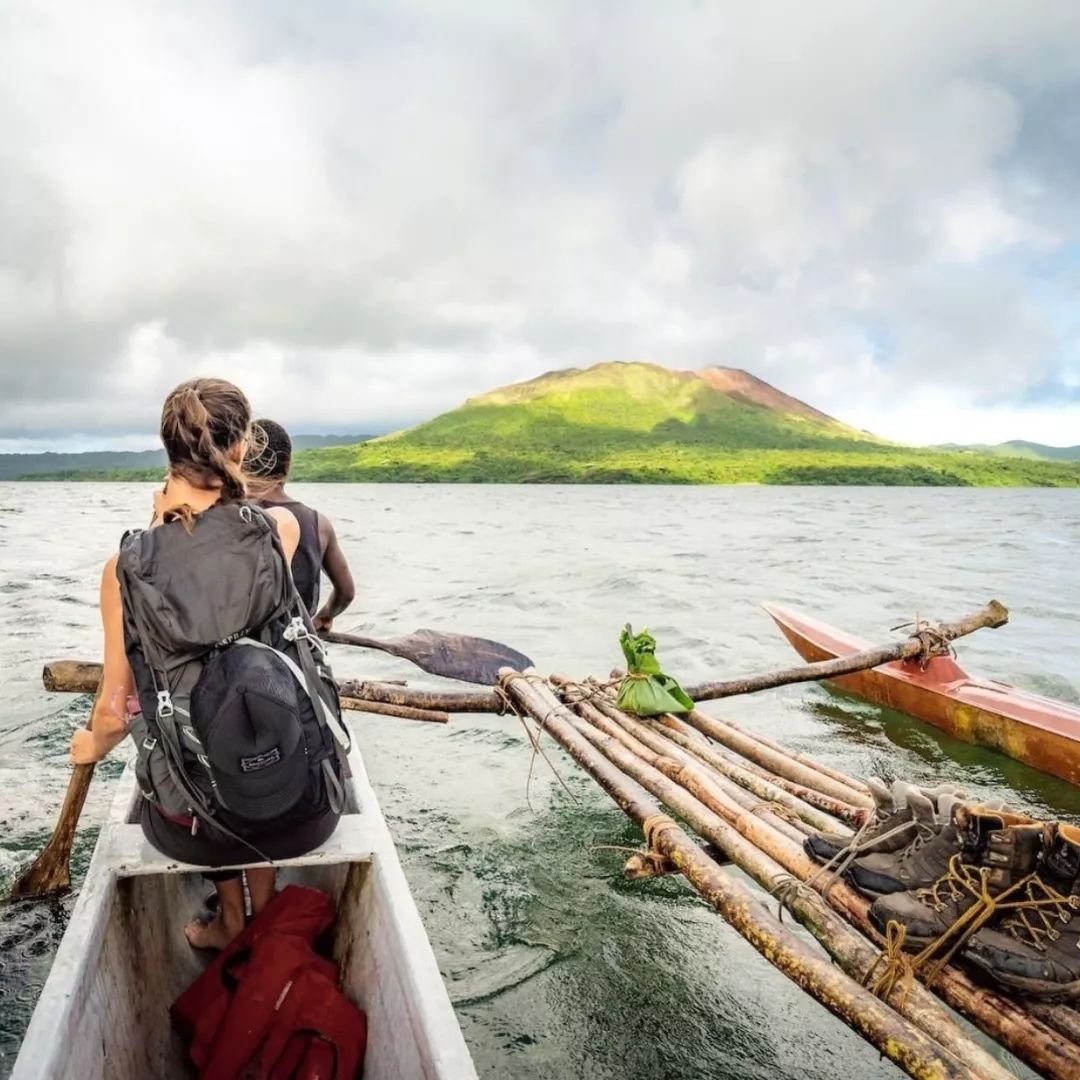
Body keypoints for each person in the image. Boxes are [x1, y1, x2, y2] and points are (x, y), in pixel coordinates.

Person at [70, 378, 348, 950]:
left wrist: (91, 747)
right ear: (242, 449)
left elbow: (114, 712)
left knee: (198, 744)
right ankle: (264, 910)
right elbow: (224, 584)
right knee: (252, 709)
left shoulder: (123, 568)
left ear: (168, 449)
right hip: (303, 812)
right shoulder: (282, 530)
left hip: (195, 832)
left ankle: (229, 920)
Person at [246, 418, 356, 631]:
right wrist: (325, 616)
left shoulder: (229, 514)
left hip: (239, 649)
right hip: (295, 648)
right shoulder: (319, 524)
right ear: (287, 465)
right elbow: (346, 592)